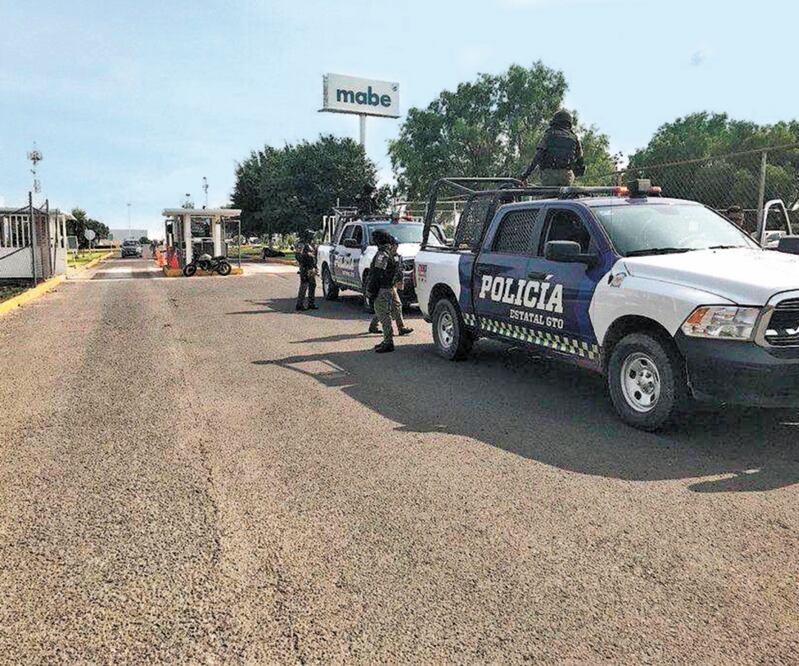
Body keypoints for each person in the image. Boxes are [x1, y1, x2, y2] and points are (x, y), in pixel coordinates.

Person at [366, 231, 412, 353]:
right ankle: (386, 339)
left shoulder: (383, 254)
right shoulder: (389, 253)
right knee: (383, 313)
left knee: (383, 315)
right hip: (388, 287)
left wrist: (371, 290)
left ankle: (388, 342)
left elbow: (377, 273)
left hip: (382, 288)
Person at [519, 110, 585, 187]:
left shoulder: (549, 135)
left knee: (546, 197)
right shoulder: (574, 138)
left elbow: (537, 157)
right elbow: (580, 160)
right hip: (566, 177)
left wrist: (525, 175)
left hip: (549, 176)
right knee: (566, 195)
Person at [294, 229, 318, 311]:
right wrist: (306, 256)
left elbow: (313, 257)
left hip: (311, 268)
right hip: (305, 268)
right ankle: (299, 305)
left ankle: (311, 303)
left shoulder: (310, 244)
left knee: (312, 285)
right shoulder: (301, 244)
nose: (312, 238)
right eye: (311, 236)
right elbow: (298, 256)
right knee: (304, 286)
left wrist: (315, 266)